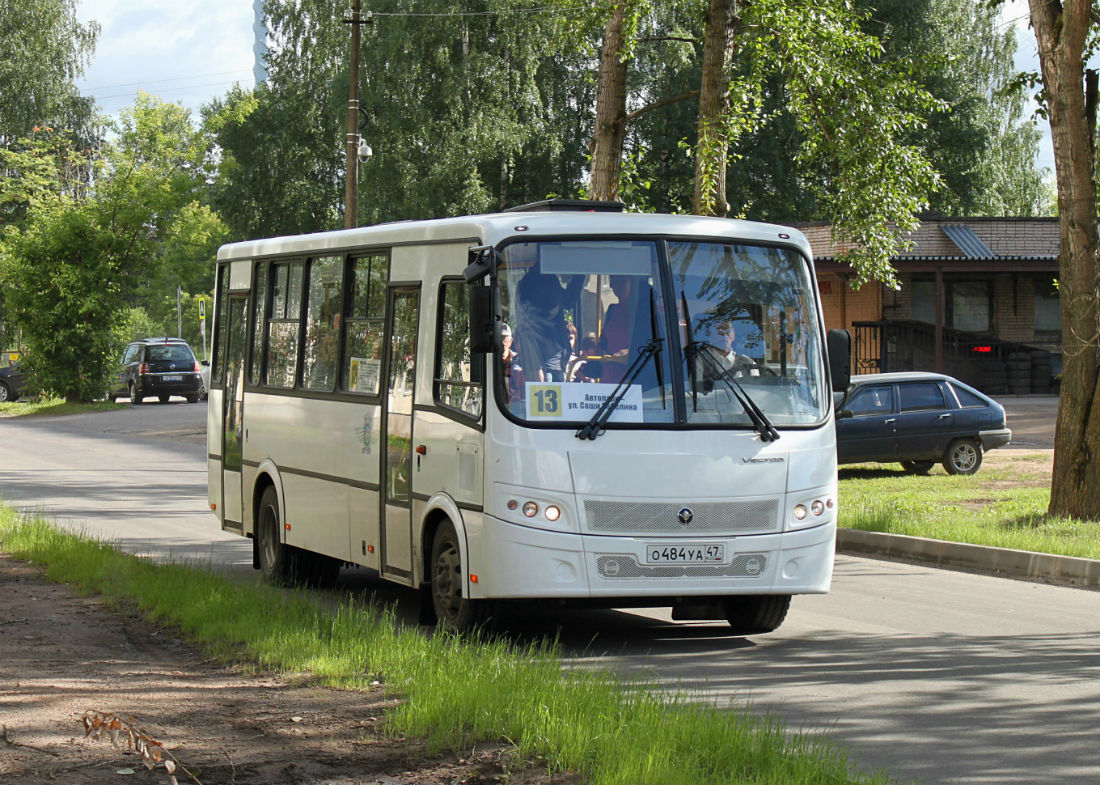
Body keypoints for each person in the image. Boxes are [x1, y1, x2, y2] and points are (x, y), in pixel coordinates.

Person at [695, 319, 758, 392]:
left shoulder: (748, 362)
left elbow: (757, 393)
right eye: (719, 332)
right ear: (711, 336)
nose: (724, 336)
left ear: (733, 335)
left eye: (728, 332)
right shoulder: (701, 360)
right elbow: (697, 393)